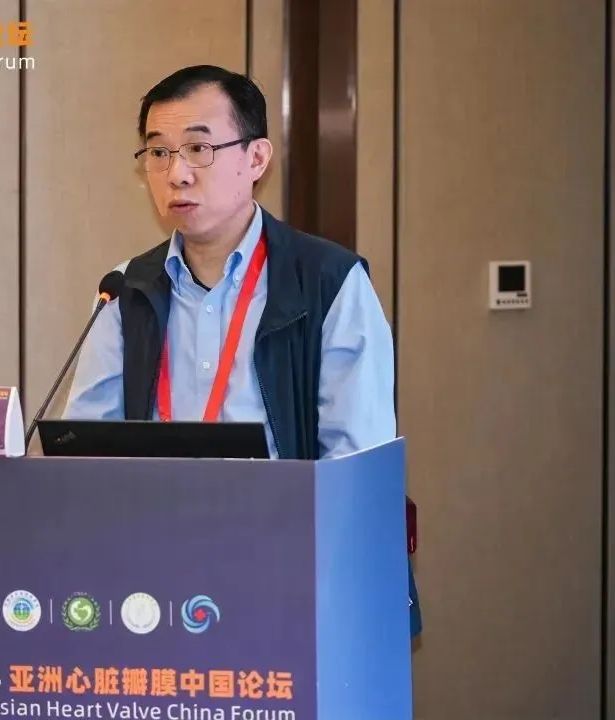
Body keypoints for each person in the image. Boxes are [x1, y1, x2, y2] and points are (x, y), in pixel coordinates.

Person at [61, 64, 420, 636]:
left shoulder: (328, 282)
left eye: (198, 149)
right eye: (158, 153)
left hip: (291, 581)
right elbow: (85, 450)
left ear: (256, 158)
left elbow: (356, 468)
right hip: (154, 589)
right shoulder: (126, 290)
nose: (176, 173)